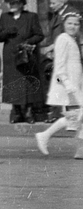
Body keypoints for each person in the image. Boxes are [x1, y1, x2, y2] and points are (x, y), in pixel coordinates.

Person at [0, 0, 46, 123]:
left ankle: (29, 112)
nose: (11, 5)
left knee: (27, 83)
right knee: (13, 84)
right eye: (10, 2)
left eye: (14, 2)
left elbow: (39, 35)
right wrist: (6, 32)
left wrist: (28, 42)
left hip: (26, 56)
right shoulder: (5, 17)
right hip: (10, 57)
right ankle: (17, 113)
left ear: (21, 3)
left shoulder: (31, 17)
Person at [36, 12, 82, 156]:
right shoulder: (63, 39)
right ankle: (44, 135)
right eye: (69, 23)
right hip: (70, 87)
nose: (73, 26)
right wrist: (68, 86)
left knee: (76, 117)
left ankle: (80, 151)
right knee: (74, 117)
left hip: (76, 85)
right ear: (64, 25)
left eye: (76, 24)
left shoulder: (72, 39)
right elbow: (60, 66)